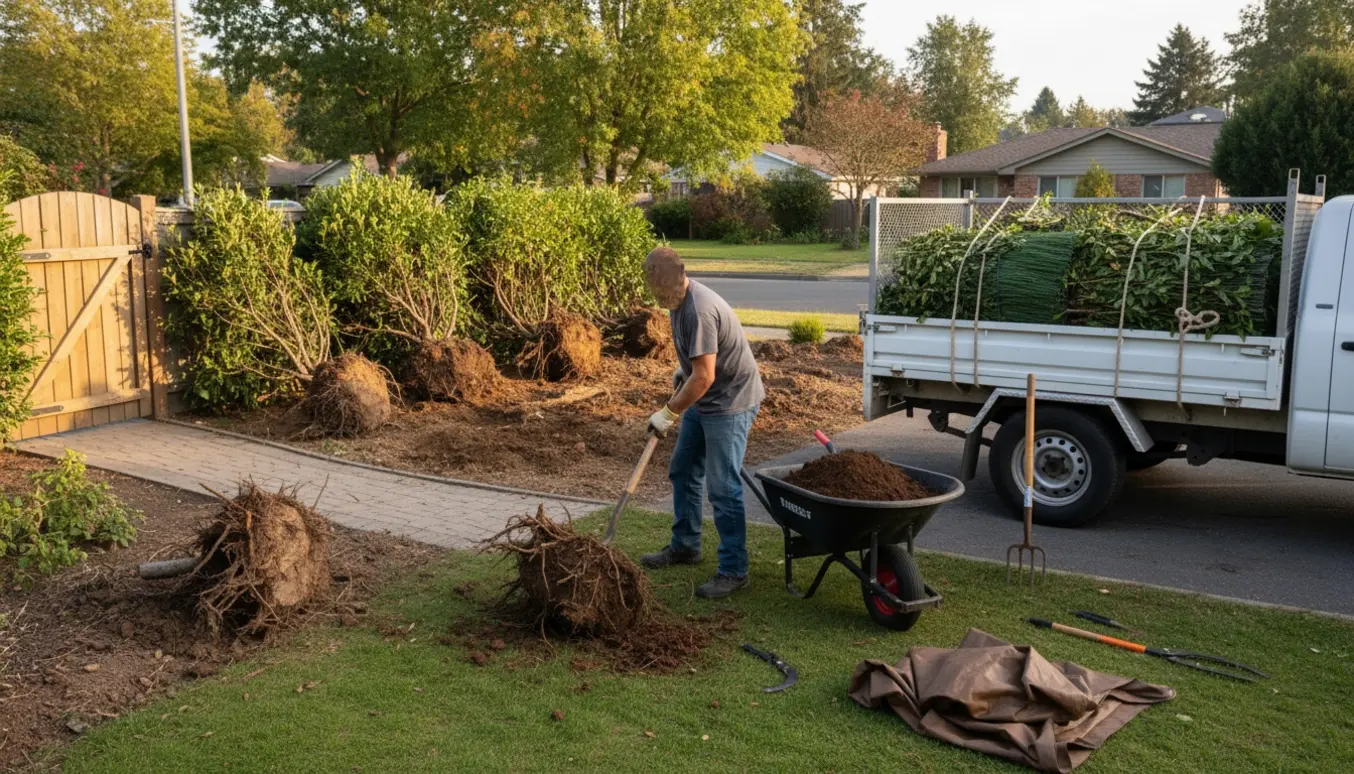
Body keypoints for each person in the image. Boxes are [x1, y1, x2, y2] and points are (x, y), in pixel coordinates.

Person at [639, 246, 764, 599]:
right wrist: (686, 368)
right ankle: (685, 545)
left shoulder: (699, 309)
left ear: (681, 278)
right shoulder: (677, 303)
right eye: (657, 292)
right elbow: (699, 365)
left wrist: (667, 413)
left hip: (730, 401)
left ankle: (734, 570)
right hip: (706, 394)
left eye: (666, 291)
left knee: (723, 487)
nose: (663, 298)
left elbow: (705, 377)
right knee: (683, 468)